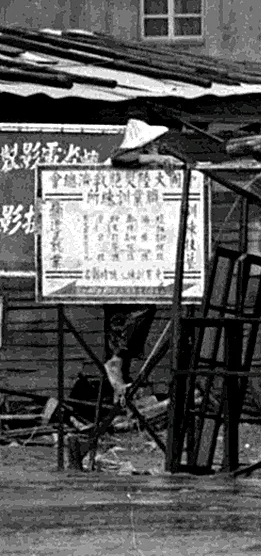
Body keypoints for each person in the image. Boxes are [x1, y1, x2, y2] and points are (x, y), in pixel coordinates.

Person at [102, 119, 181, 400]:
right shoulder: (118, 164)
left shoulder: (144, 169)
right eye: (152, 145)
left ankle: (120, 375)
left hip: (132, 252)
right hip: (111, 253)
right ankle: (117, 366)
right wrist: (157, 158)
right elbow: (119, 157)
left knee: (127, 313)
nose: (157, 149)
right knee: (132, 310)